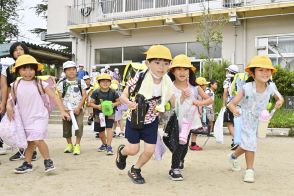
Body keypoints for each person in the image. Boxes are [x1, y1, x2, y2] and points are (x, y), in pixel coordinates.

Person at [116, 45, 174, 184]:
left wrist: (163, 107)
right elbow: (123, 95)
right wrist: (129, 102)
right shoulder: (140, 77)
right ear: (148, 63)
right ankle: (122, 152)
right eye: (157, 63)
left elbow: (171, 102)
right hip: (135, 119)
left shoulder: (167, 82)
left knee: (149, 150)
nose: (161, 67)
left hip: (151, 121)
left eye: (166, 63)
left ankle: (135, 170)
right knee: (133, 149)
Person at [5, 55, 69, 173]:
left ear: (36, 70)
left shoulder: (41, 83)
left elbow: (54, 97)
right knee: (30, 142)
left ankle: (48, 161)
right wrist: (8, 106)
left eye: (31, 69)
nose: (28, 72)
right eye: (24, 69)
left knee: (38, 139)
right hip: (24, 119)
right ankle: (27, 164)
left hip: (39, 117)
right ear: (18, 70)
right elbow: (11, 100)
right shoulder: (15, 85)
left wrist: (62, 111)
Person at [227, 56, 284, 183]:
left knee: (247, 144)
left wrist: (279, 101)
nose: (265, 73)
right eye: (261, 70)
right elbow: (231, 103)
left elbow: (280, 98)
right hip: (247, 119)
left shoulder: (271, 87)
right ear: (252, 73)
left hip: (262, 120)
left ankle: (233, 156)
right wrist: (234, 110)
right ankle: (249, 170)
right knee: (251, 143)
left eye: (268, 70)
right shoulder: (246, 88)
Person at [167, 54, 213, 180]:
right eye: (179, 69)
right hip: (173, 121)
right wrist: (182, 97)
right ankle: (178, 159)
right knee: (170, 141)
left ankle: (175, 167)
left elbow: (209, 100)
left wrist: (199, 103)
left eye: (185, 69)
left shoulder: (195, 88)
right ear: (173, 71)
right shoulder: (169, 86)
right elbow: (172, 105)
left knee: (182, 143)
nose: (182, 72)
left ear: (190, 71)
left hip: (188, 121)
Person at [0, 42, 39, 161]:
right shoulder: (8, 67)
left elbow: (38, 83)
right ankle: (22, 150)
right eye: (15, 50)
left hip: (30, 100)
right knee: (17, 126)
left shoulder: (32, 65)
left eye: (21, 49)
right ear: (12, 53)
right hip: (14, 100)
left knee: (30, 126)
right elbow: (4, 87)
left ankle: (32, 152)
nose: (18, 51)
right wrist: (4, 104)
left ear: (25, 51)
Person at [57, 61, 87, 155]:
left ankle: (77, 145)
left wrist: (78, 107)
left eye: (73, 69)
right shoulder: (62, 83)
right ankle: (69, 145)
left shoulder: (80, 81)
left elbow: (84, 95)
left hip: (78, 109)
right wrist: (63, 110)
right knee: (66, 128)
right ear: (65, 71)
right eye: (68, 70)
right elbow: (59, 97)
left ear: (76, 71)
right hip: (66, 110)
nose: (71, 71)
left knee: (79, 126)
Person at [89, 73, 120, 155]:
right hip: (99, 115)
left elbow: (119, 101)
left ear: (110, 83)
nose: (105, 83)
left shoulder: (113, 92)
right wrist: (97, 106)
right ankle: (104, 144)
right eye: (103, 81)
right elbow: (90, 103)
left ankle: (109, 146)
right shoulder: (95, 92)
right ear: (99, 83)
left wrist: (113, 104)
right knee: (101, 131)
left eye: (107, 81)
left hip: (110, 114)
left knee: (109, 129)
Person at [189, 77, 212, 151]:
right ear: (201, 85)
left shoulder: (197, 92)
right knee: (195, 129)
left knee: (194, 130)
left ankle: (192, 143)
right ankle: (193, 144)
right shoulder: (198, 93)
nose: (206, 86)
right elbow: (198, 105)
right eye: (205, 85)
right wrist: (199, 114)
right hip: (196, 114)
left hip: (196, 113)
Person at [222, 64, 239, 150]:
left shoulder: (227, 81)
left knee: (229, 122)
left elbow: (225, 93)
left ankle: (236, 140)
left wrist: (223, 105)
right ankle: (235, 139)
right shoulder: (239, 80)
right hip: (239, 104)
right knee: (237, 123)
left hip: (230, 104)